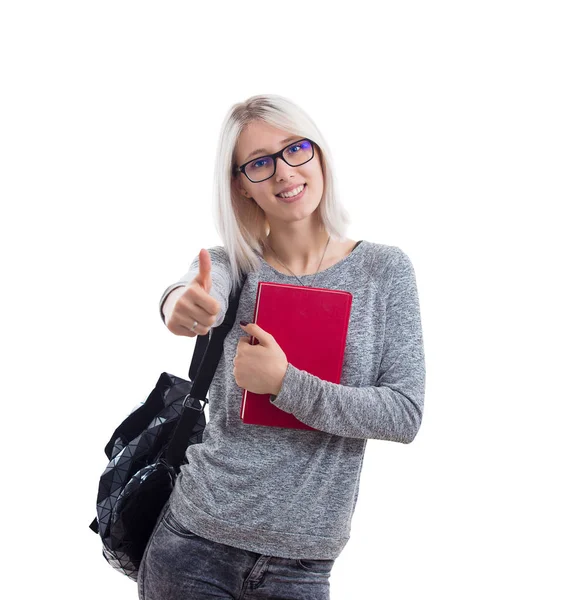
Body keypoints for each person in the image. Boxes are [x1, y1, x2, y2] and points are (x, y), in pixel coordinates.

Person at [138, 94, 426, 600]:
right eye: (260, 163)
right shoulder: (234, 266)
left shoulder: (385, 271)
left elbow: (403, 414)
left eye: (295, 149)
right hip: (194, 542)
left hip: (303, 562)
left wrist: (284, 383)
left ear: (318, 153)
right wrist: (178, 302)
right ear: (241, 185)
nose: (284, 172)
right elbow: (194, 290)